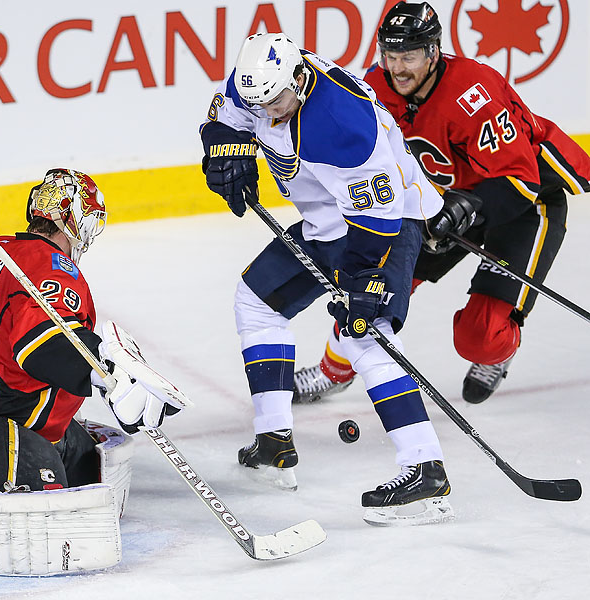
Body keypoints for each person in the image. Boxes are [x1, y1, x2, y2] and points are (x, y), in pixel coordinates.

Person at [201, 32, 453, 524]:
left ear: (298, 78)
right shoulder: (259, 81)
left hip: (386, 225)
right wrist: (224, 154)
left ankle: (426, 473)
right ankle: (274, 441)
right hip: (327, 221)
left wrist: (366, 282)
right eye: (259, 104)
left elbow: (377, 221)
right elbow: (223, 119)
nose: (268, 114)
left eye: (276, 103)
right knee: (256, 302)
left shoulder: (340, 123)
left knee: (363, 338)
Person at [294, 1, 590, 404]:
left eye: (409, 56)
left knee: (480, 338)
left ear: (433, 52)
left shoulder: (474, 92)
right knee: (372, 283)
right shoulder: (376, 86)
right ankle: (336, 371)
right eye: (390, 55)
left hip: (522, 203)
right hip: (441, 205)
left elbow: (520, 179)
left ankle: (497, 353)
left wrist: (458, 213)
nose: (397, 68)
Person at [0, 168, 185, 492]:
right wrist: (103, 369)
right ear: (72, 220)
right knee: (53, 512)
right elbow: (38, 342)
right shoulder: (56, 268)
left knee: (91, 473)